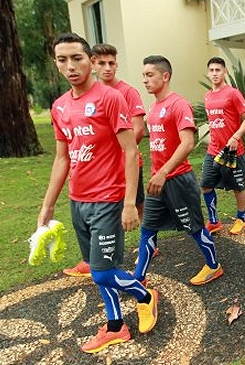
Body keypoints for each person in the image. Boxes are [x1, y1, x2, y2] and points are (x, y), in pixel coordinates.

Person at [39, 33, 157, 353]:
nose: (70, 66)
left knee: (104, 271)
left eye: (76, 58)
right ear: (56, 64)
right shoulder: (60, 107)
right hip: (79, 200)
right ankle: (116, 326)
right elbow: (62, 158)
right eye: (62, 60)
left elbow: (131, 152)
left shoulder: (110, 98)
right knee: (96, 271)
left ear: (90, 61)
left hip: (108, 198)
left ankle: (144, 295)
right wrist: (48, 205)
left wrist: (130, 203)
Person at [134, 55, 223, 287]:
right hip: (158, 181)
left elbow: (188, 143)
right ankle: (138, 279)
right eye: (143, 75)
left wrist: (163, 172)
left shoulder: (178, 104)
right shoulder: (152, 108)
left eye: (149, 75)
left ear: (165, 76)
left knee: (194, 228)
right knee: (148, 229)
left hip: (178, 180)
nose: (145, 80)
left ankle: (214, 266)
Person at [62, 43, 148, 277]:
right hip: (96, 177)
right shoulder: (80, 97)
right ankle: (92, 262)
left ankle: (147, 244)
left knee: (137, 206)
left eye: (111, 63)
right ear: (93, 64)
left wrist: (114, 152)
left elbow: (138, 129)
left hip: (125, 165)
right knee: (97, 225)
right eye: (102, 63)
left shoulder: (126, 92)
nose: (107, 68)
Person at [201, 57, 245, 235]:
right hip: (214, 151)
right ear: (208, 73)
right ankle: (214, 221)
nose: (215, 73)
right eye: (212, 70)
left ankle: (241, 218)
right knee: (206, 185)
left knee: (238, 187)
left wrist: (236, 136)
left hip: (233, 152)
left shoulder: (233, 93)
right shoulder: (207, 96)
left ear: (225, 72)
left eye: (218, 70)